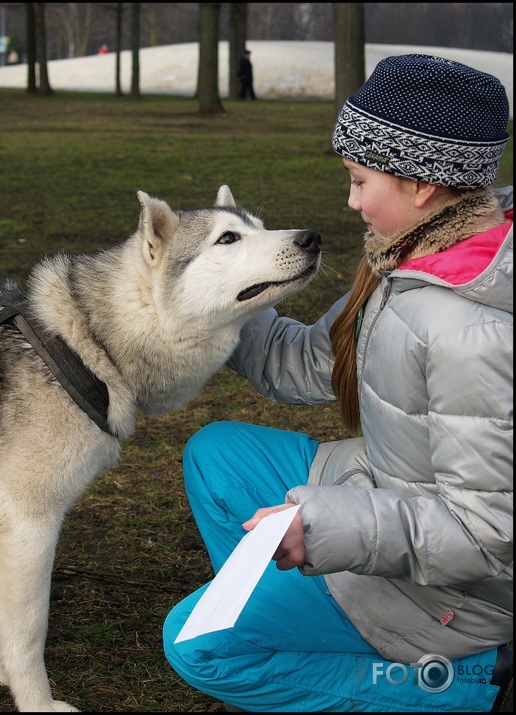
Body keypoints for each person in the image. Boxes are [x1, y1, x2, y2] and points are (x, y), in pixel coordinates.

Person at [162, 54, 513, 711]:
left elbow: (485, 534)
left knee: (196, 642)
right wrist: (219, 293)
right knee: (216, 455)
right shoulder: (409, 261)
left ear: (421, 183)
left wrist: (322, 524)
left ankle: (465, 684)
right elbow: (305, 361)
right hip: (391, 489)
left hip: (456, 592)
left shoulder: (472, 327)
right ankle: (297, 638)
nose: (349, 199)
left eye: (359, 179)